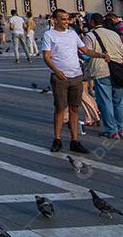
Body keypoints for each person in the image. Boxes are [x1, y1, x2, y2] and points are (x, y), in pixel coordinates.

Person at [41, 9, 108, 153]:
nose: (66, 22)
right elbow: (46, 56)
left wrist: (101, 55)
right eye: (63, 19)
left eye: (67, 19)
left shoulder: (72, 34)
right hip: (60, 78)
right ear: (55, 20)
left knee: (75, 109)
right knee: (60, 109)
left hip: (76, 76)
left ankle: (74, 141)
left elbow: (85, 51)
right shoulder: (49, 35)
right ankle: (57, 139)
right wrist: (56, 70)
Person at [84, 13, 123, 139]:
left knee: (105, 102)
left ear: (92, 22)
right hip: (118, 71)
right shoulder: (114, 34)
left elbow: (87, 53)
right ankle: (122, 129)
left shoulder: (90, 35)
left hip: (101, 70)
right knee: (119, 102)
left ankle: (112, 130)